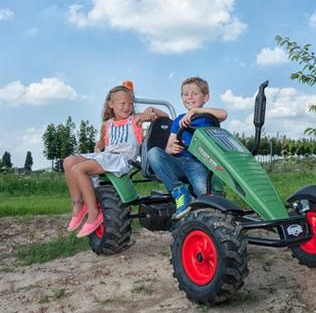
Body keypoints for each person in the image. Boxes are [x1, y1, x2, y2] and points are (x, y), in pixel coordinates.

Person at [63, 85, 158, 237]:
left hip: (122, 160)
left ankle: (94, 213)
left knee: (78, 169)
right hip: (106, 156)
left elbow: (156, 115)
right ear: (111, 104)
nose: (127, 107)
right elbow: (101, 143)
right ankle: (78, 206)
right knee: (68, 162)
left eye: (130, 103)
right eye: (122, 103)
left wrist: (151, 112)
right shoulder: (107, 125)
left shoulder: (135, 120)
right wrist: (97, 148)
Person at [147, 76, 227, 219]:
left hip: (197, 162)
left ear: (205, 97)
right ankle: (179, 191)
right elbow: (168, 148)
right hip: (178, 162)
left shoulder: (207, 117)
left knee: (205, 195)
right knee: (153, 153)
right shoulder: (178, 120)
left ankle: (207, 209)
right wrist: (171, 150)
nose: (189, 97)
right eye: (185, 94)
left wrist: (195, 111)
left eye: (195, 93)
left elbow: (224, 114)